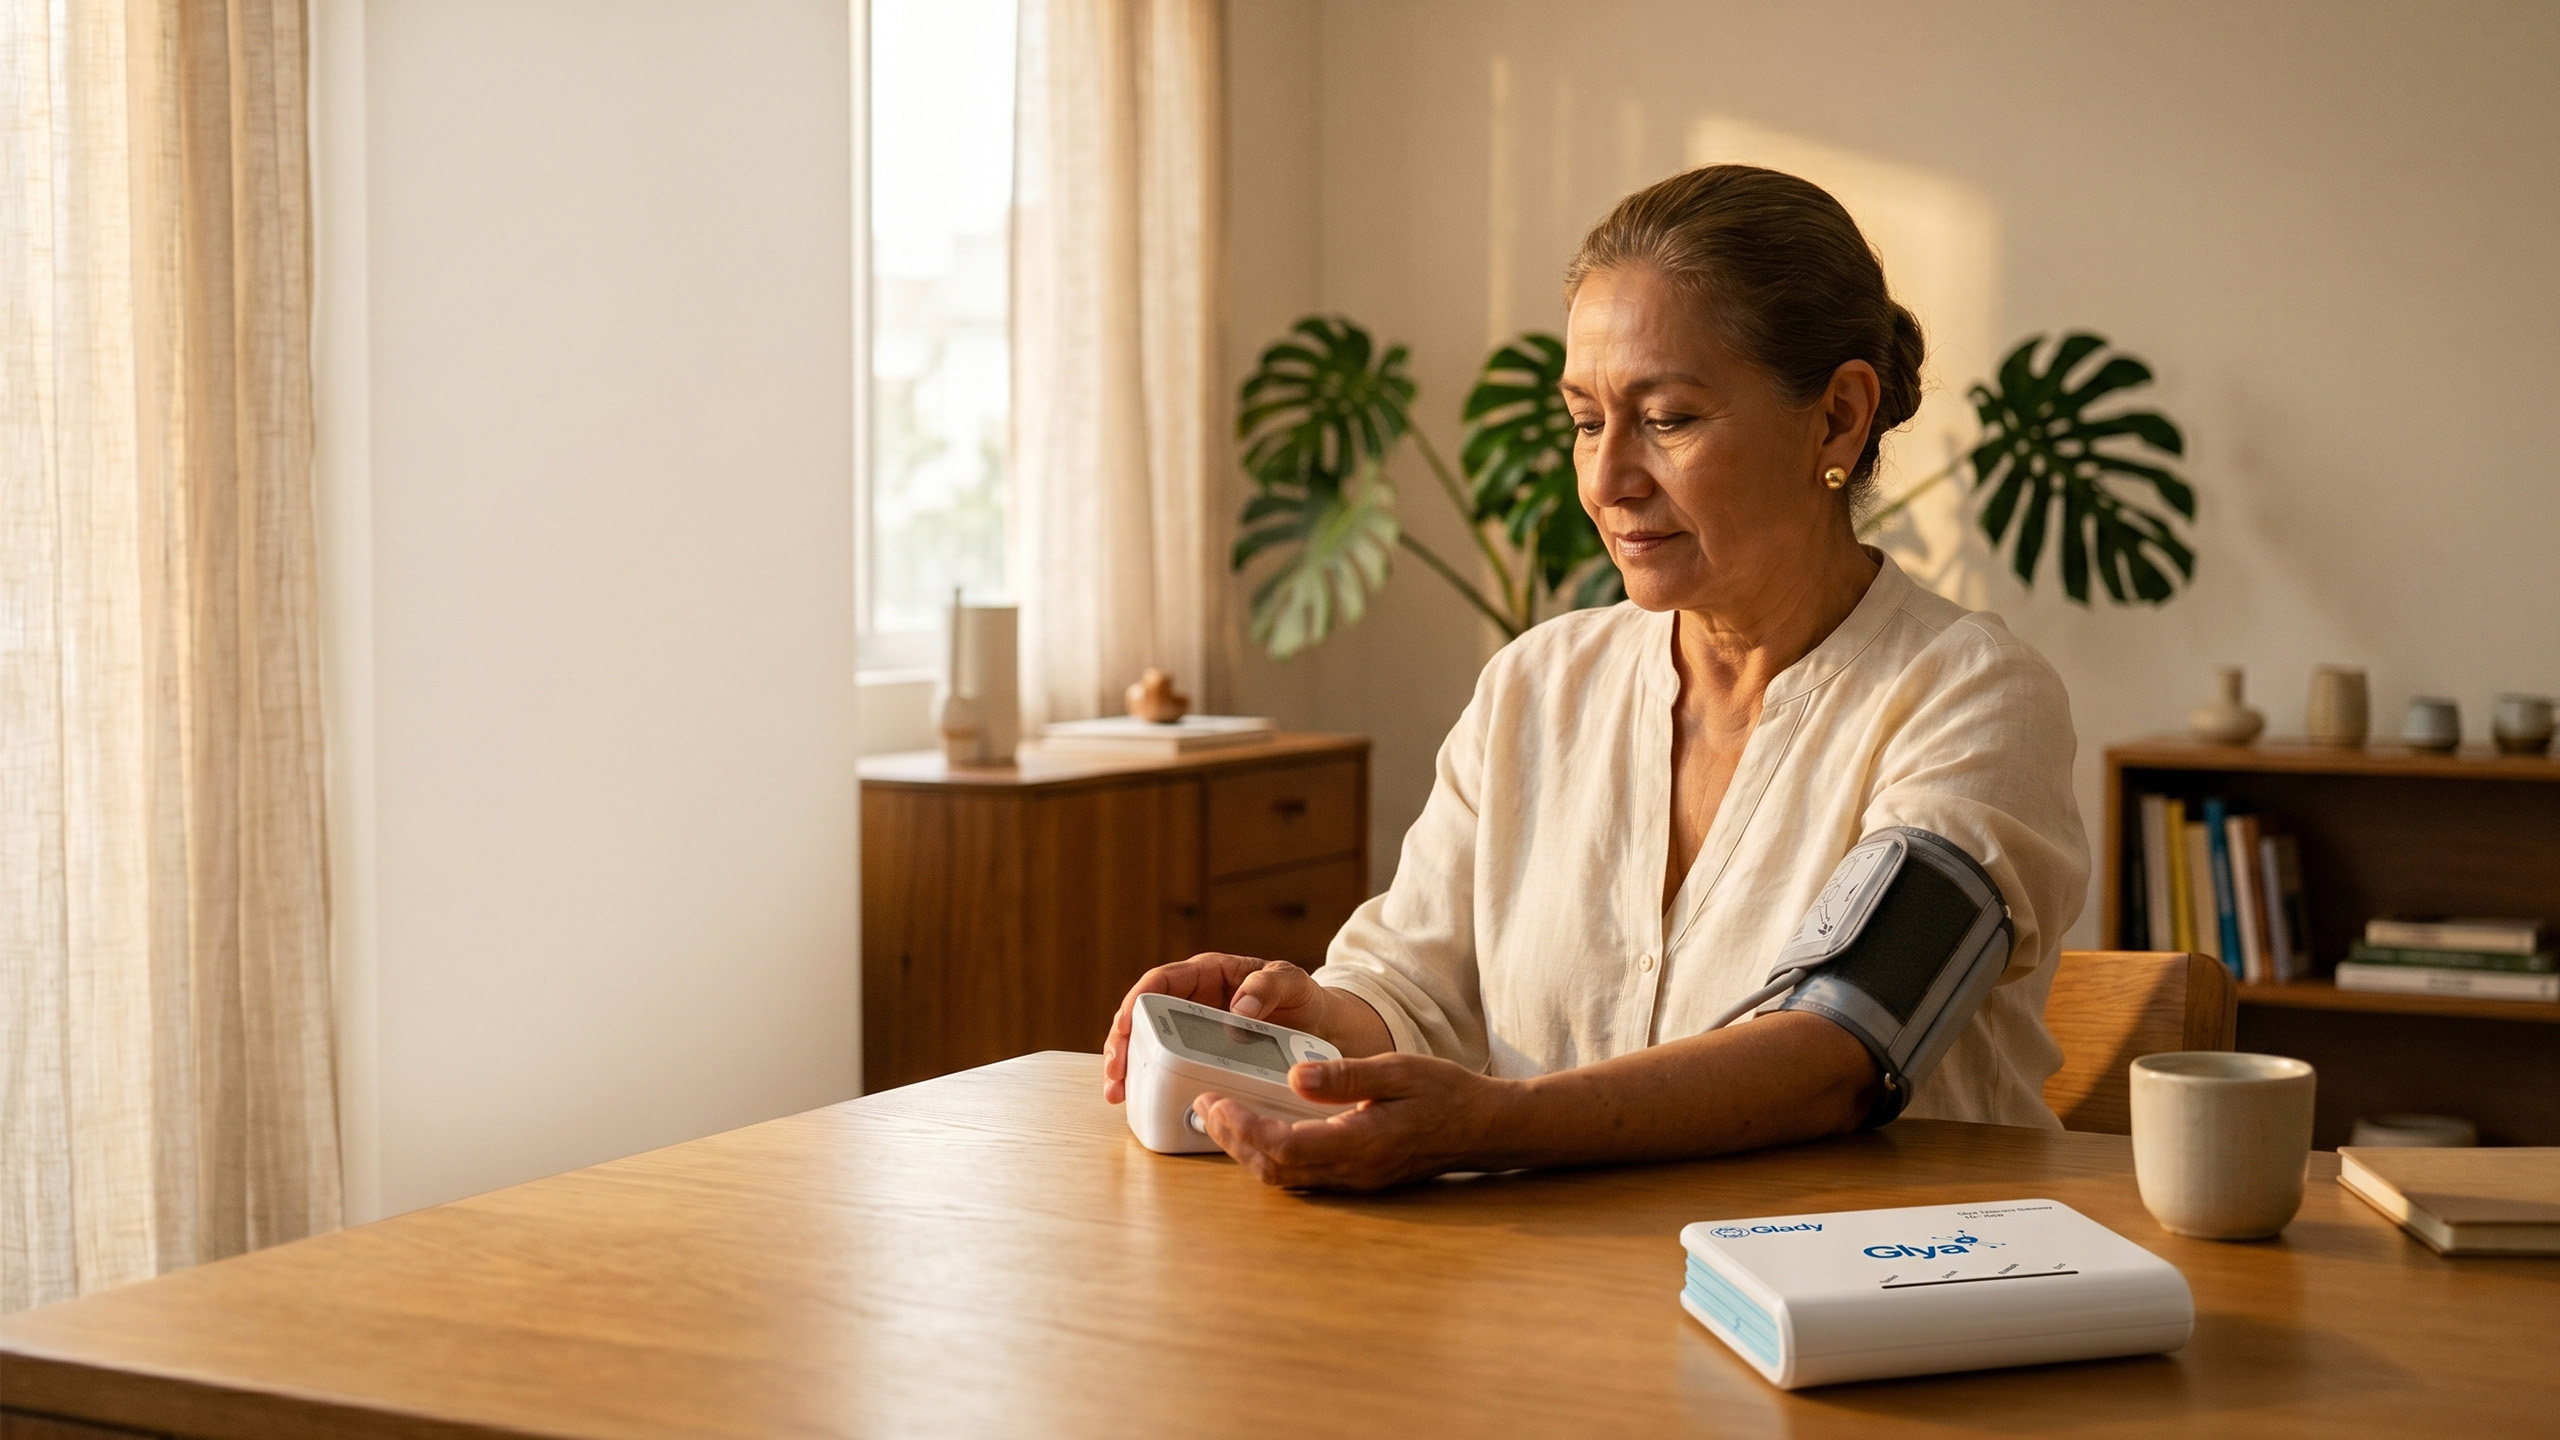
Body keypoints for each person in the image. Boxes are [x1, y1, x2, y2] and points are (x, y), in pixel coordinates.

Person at [1102, 165, 2088, 1191]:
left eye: (1668, 419)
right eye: (1585, 420)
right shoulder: (1535, 688)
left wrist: (1496, 1126)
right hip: (1564, 1277)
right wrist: (1306, 1026)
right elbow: (1413, 993)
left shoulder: (1973, 698)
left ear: (1837, 418)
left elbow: (1843, 1047)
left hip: (1886, 1277)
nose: (1607, 480)